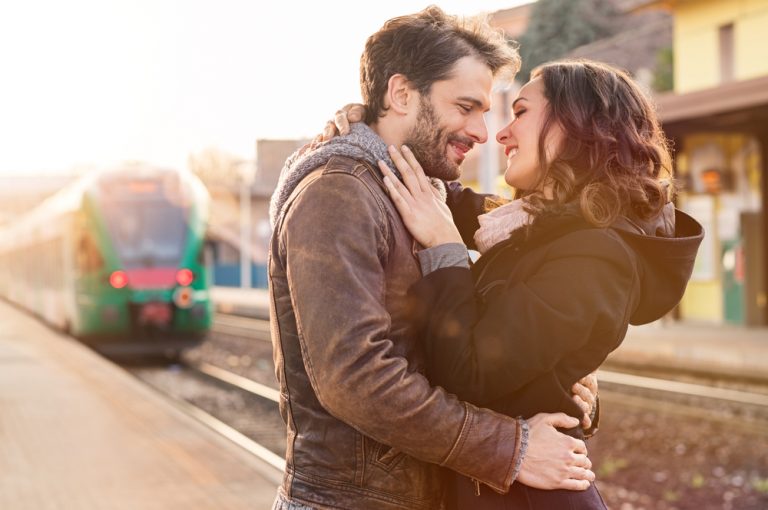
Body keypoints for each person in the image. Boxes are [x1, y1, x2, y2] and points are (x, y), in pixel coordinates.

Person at [268, 7, 597, 510]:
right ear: (401, 94)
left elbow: (482, 328)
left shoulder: (421, 193)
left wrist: (564, 374)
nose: (483, 131)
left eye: (485, 111)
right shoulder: (337, 194)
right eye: (465, 107)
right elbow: (354, 378)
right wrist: (512, 448)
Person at [371, 60, 704, 508]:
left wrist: (446, 250)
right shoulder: (528, 227)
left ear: (578, 125)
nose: (501, 134)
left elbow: (469, 373)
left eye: (521, 112)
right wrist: (371, 126)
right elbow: (436, 190)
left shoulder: (596, 255)